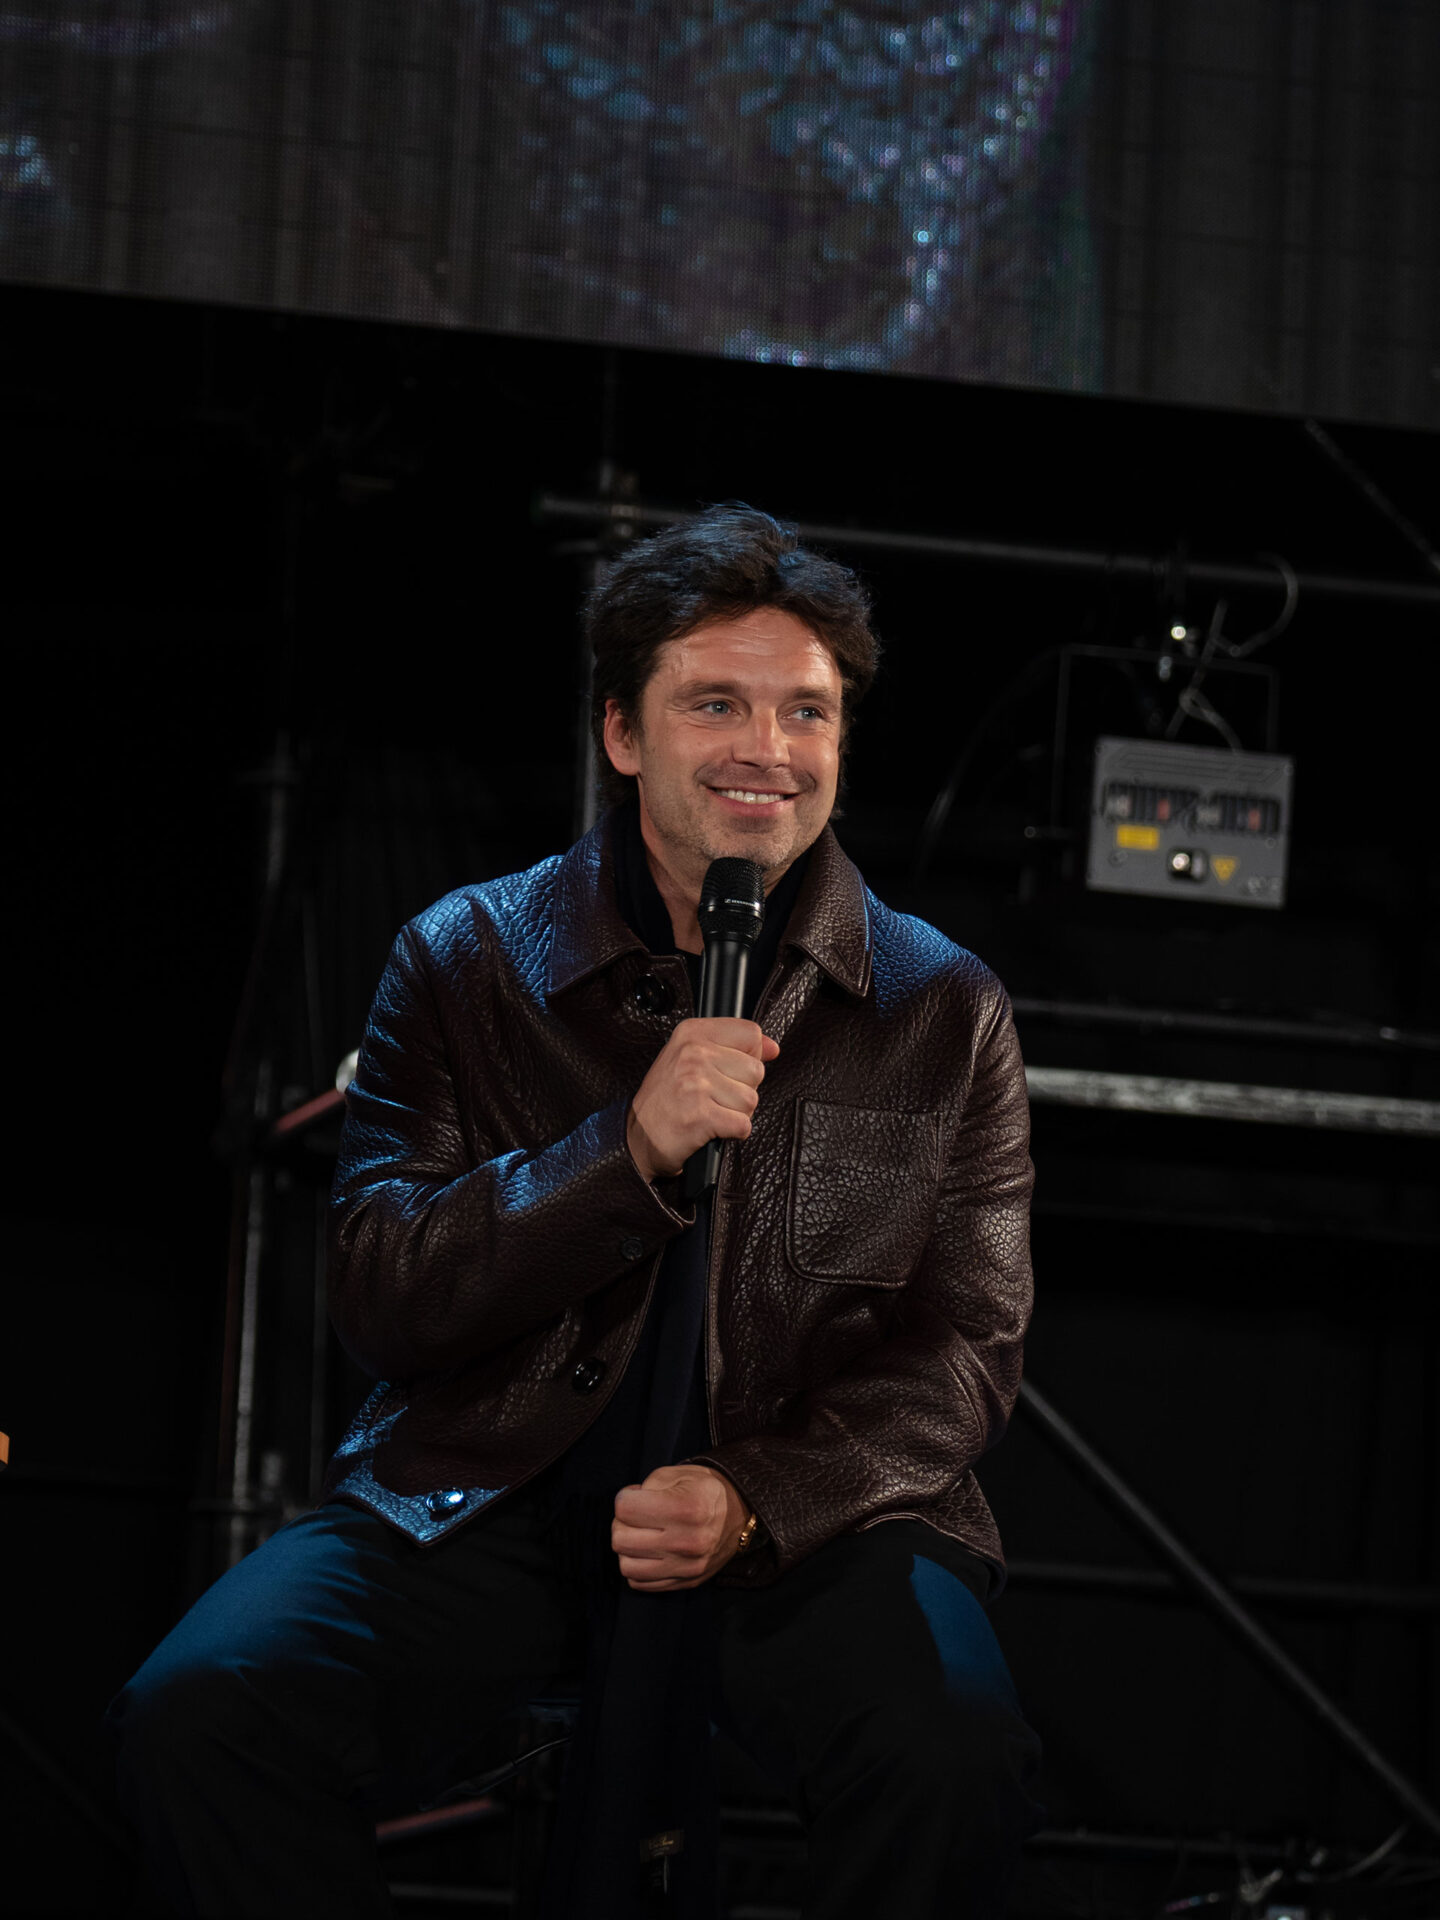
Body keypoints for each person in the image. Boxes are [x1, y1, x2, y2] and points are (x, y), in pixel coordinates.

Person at [109, 504, 1043, 1917]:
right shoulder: (465, 955)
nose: (769, 749)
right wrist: (625, 1155)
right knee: (203, 1711)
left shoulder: (941, 1003)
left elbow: (967, 1352)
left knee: (955, 1752)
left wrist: (757, 1499)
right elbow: (381, 1288)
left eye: (806, 712)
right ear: (622, 732)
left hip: (809, 1520)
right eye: (715, 703)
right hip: (495, 1492)